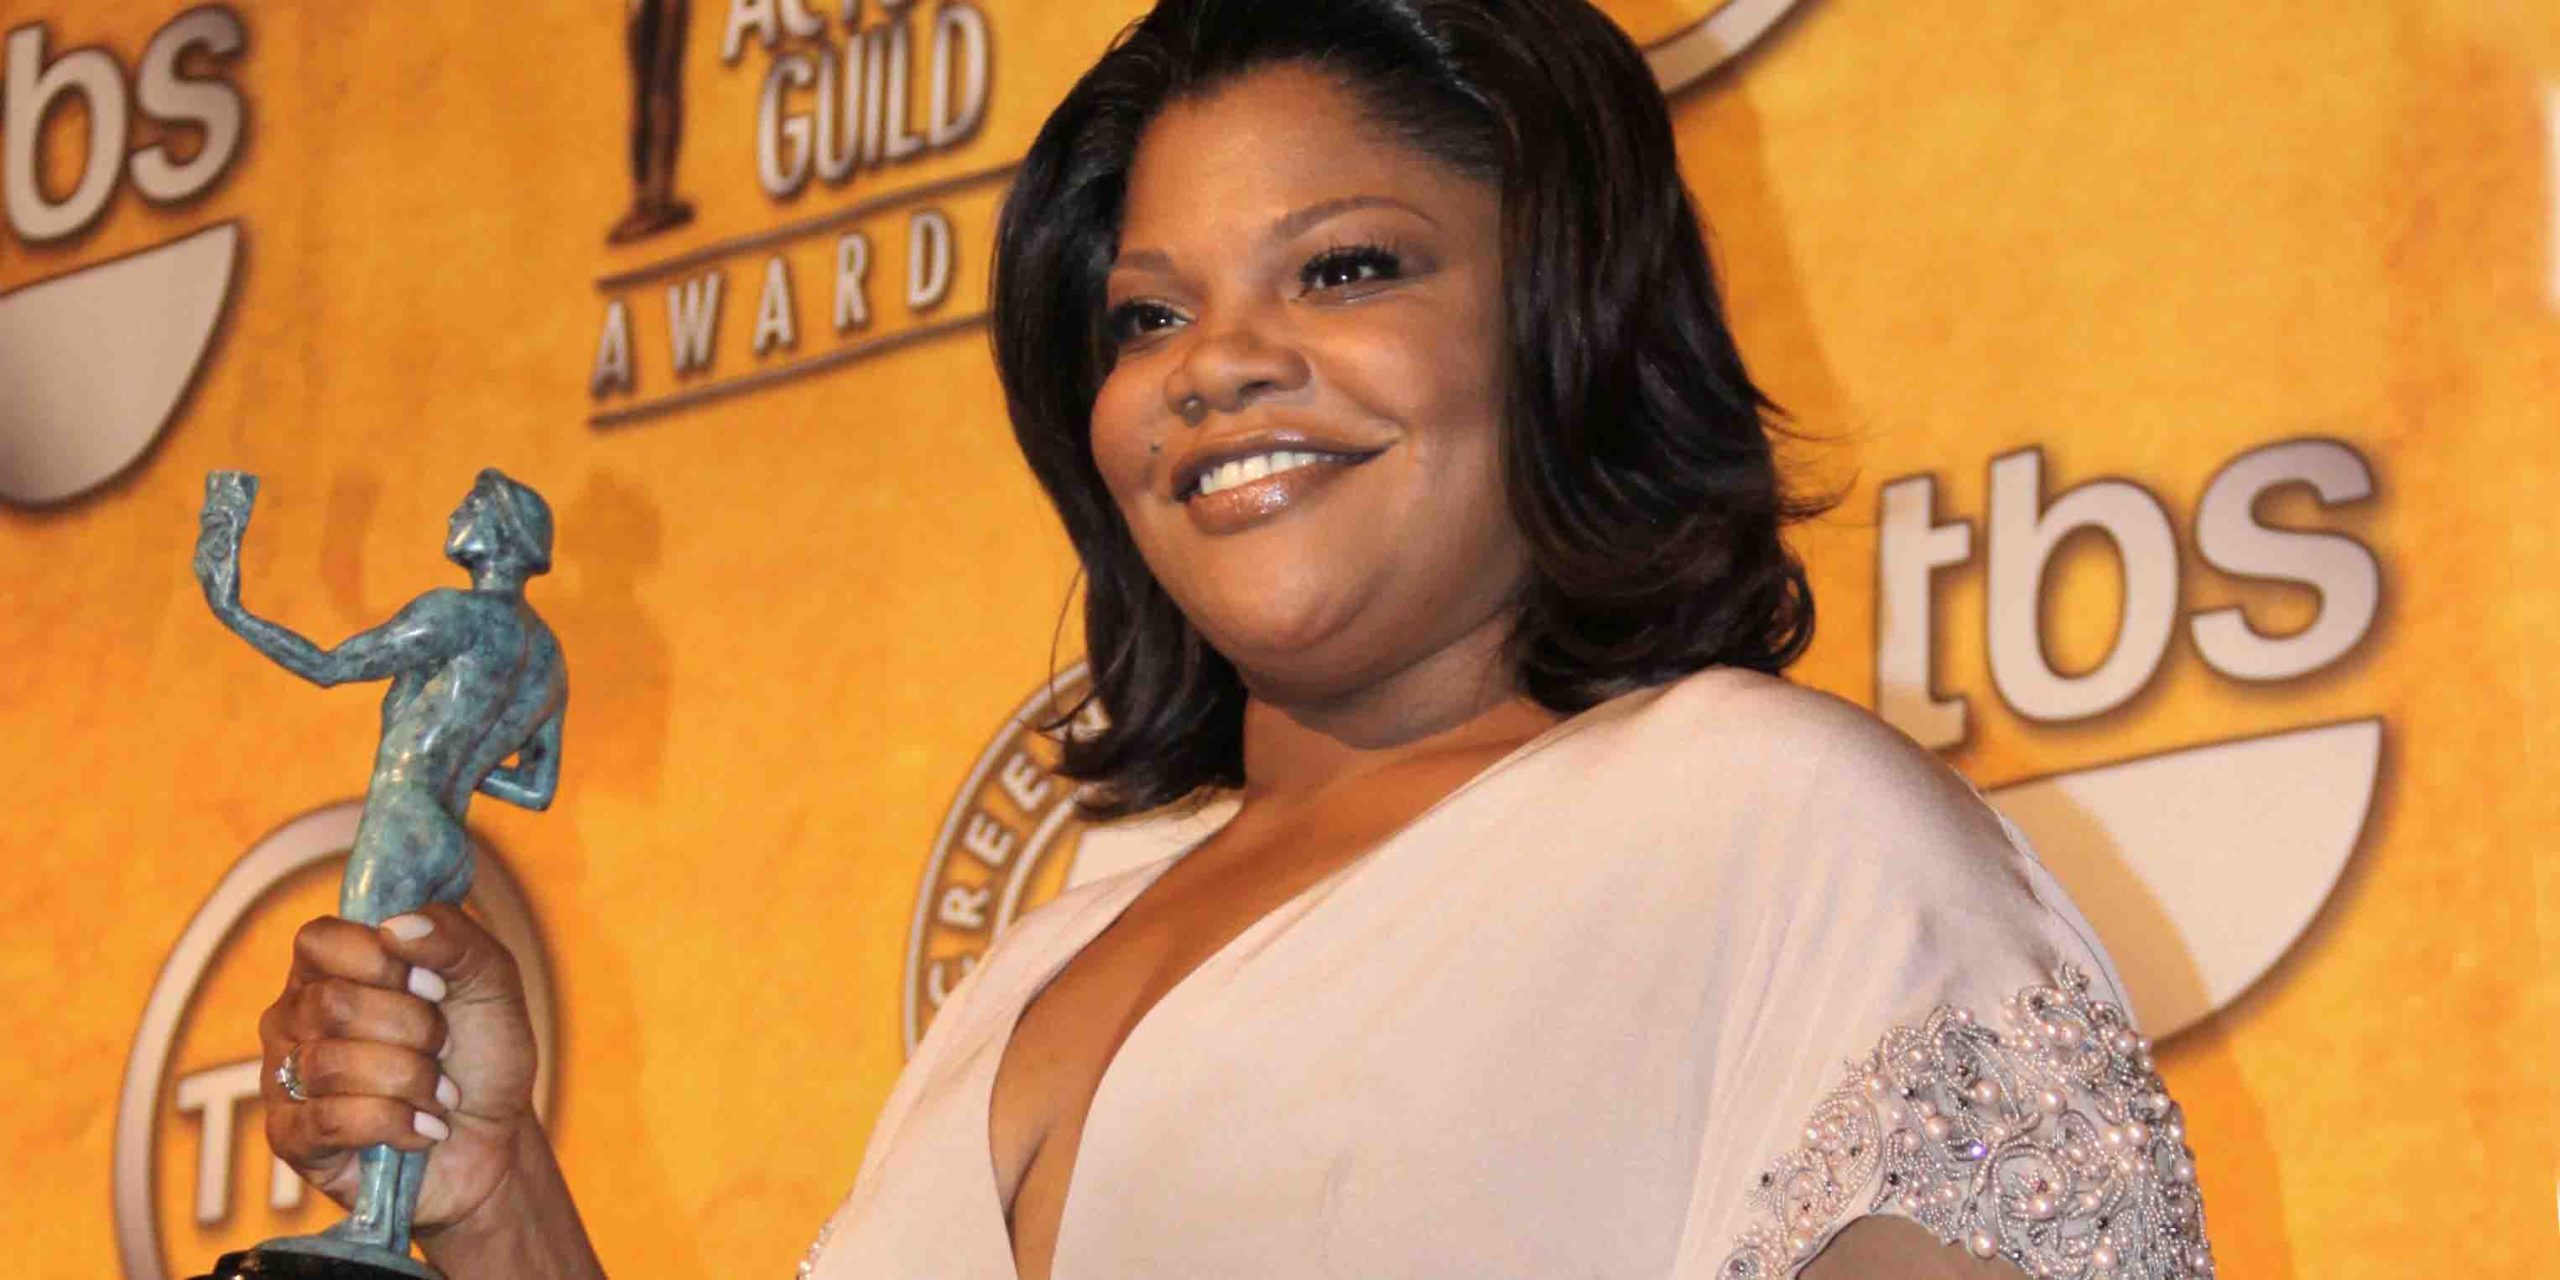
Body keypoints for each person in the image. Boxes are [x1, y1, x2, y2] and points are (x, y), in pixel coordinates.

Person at [252, 1, 2214, 1277]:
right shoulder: (1034, 966)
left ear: (1563, 320)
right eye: (1147, 316)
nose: (1217, 369)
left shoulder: (1768, 826)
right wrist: (498, 1196)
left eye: (1343, 268)